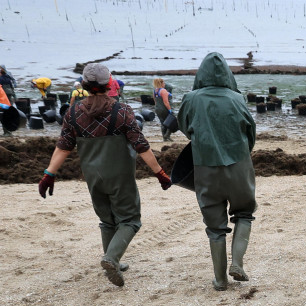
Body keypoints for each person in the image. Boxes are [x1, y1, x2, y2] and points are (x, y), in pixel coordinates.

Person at [38, 62, 172, 287]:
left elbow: (63, 147)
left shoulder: (73, 113)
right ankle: (111, 258)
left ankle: (115, 262)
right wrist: (159, 172)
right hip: (119, 175)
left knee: (106, 220)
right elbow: (141, 145)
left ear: (84, 85)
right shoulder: (122, 111)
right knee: (130, 220)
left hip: (92, 176)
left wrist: (48, 174)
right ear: (110, 83)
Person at [178, 52, 257, 292]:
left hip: (205, 166)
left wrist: (204, 140)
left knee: (215, 226)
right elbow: (250, 131)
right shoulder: (236, 98)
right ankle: (238, 263)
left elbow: (184, 126)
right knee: (244, 213)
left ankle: (220, 280)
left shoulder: (190, 98)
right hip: (239, 164)